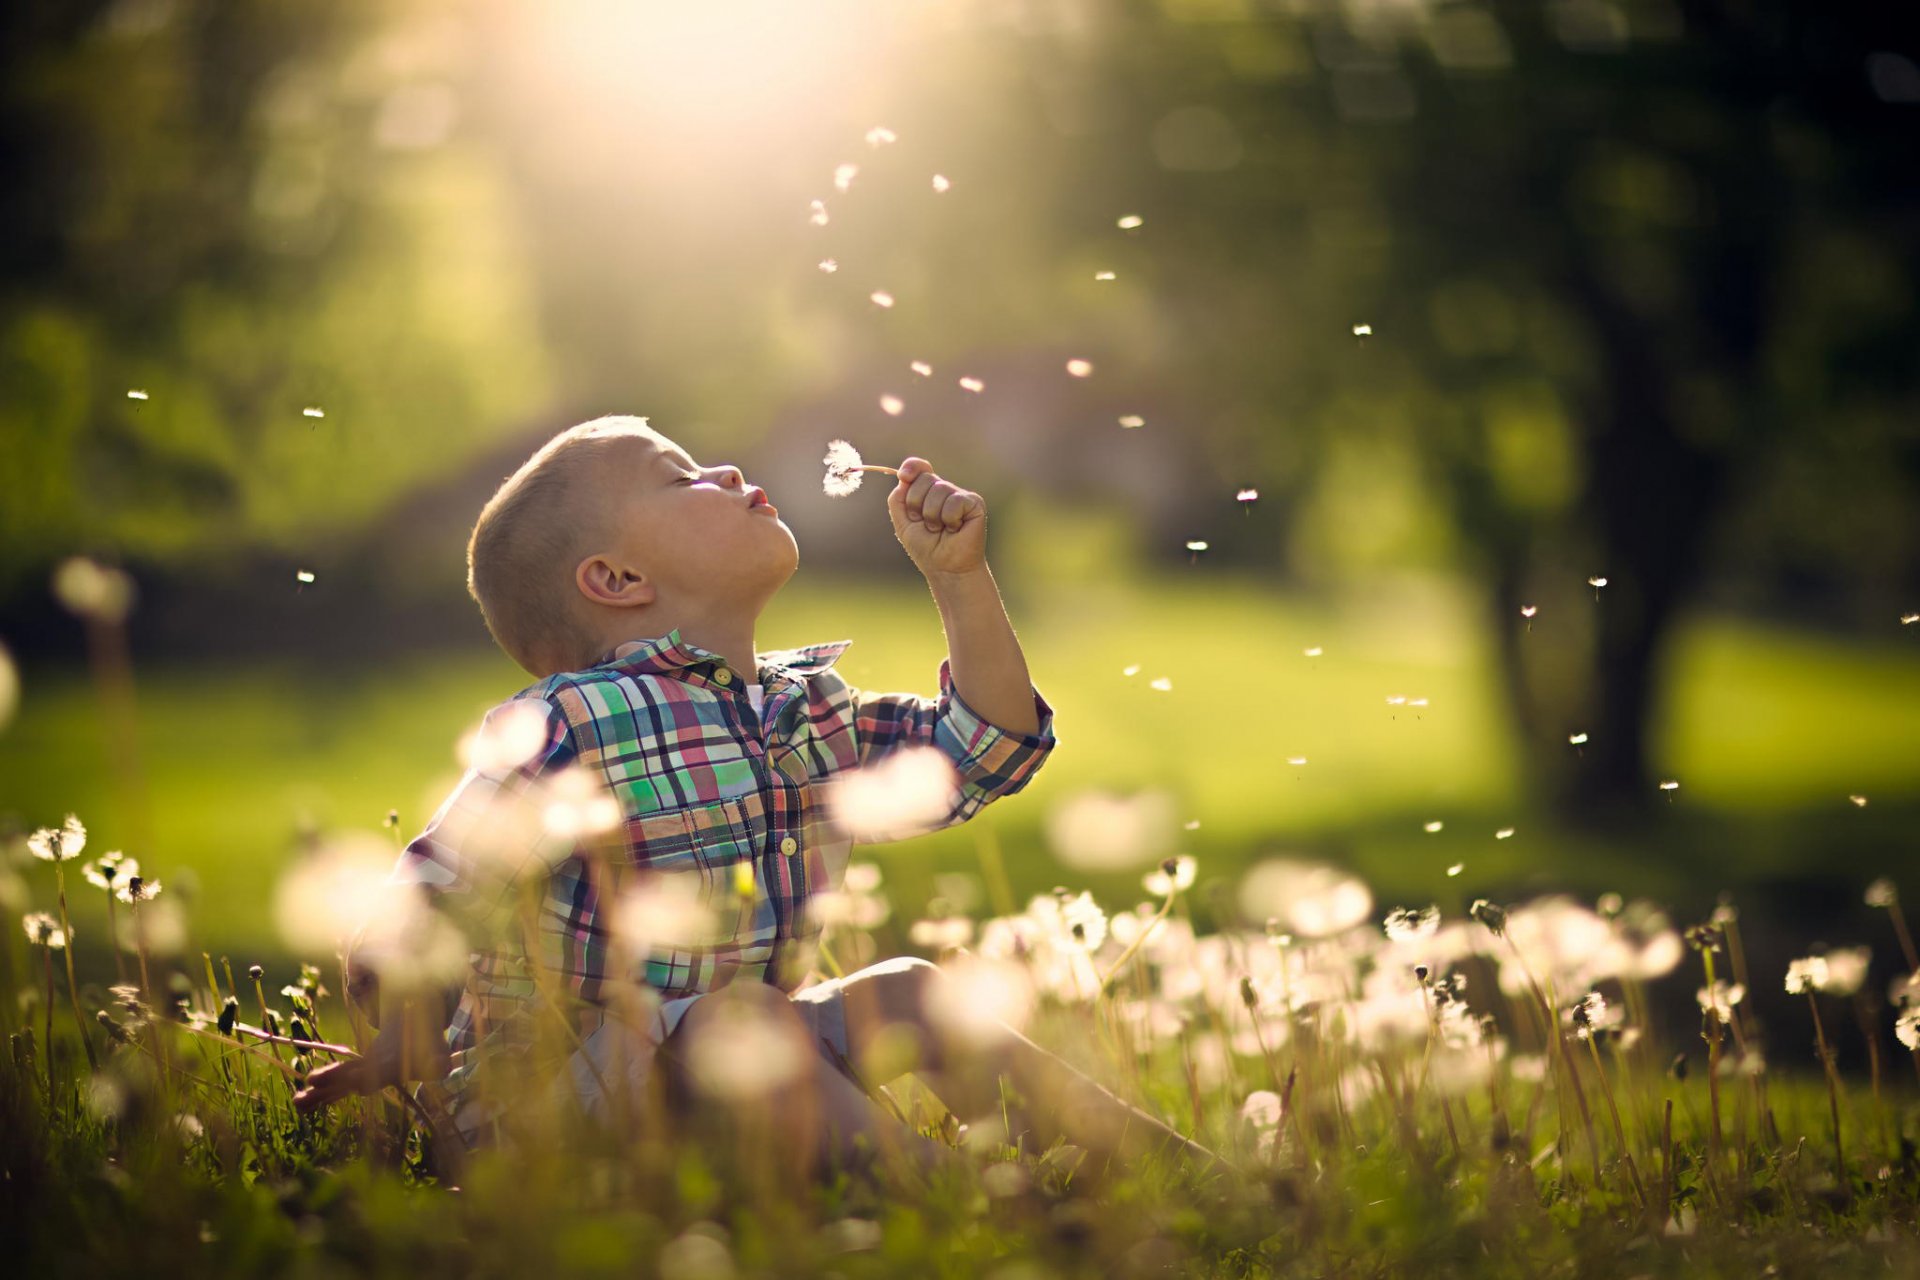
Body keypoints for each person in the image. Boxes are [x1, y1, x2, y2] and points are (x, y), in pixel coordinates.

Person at [291, 414, 1232, 1191]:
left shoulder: (806, 711)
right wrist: (409, 1024)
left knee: (905, 991)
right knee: (744, 1017)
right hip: (557, 1126)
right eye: (681, 477)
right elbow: (429, 897)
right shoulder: (567, 722)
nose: (727, 467)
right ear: (617, 582)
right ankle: (974, 1211)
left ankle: (1182, 1186)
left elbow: (985, 751)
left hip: (744, 1071)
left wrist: (958, 578)